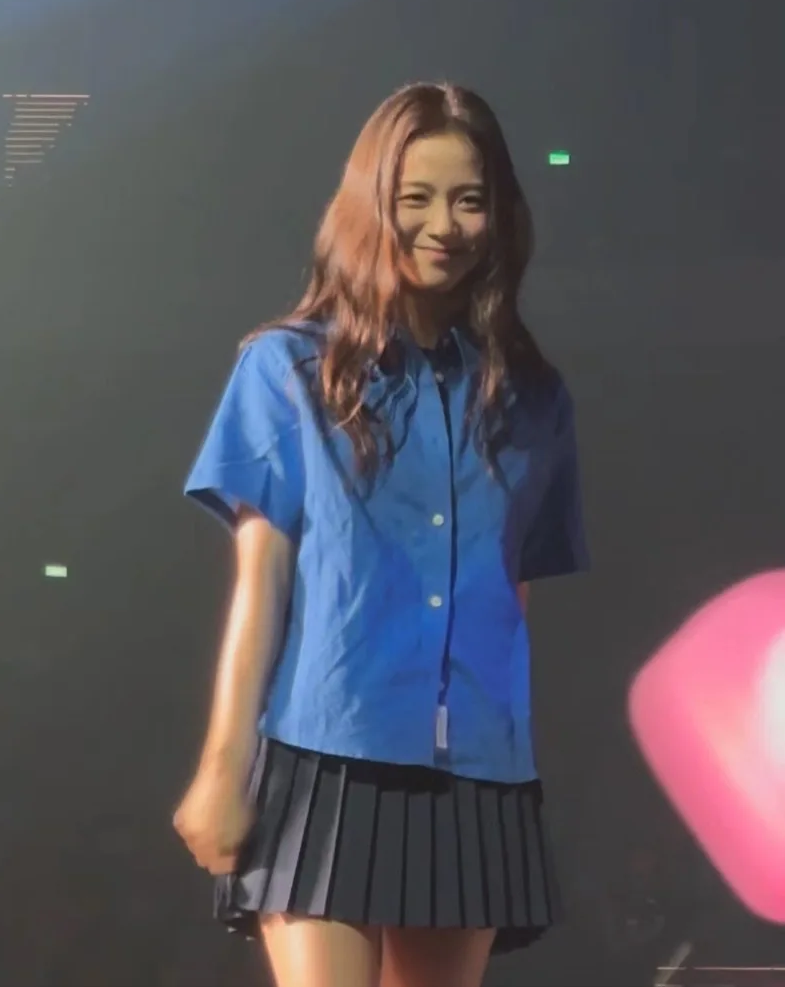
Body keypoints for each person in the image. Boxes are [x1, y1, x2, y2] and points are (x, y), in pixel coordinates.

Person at [173, 81, 589, 987]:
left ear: (499, 214)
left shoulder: (532, 397)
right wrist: (222, 766)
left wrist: (510, 749)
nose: (445, 225)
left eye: (469, 199)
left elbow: (511, 593)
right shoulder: (288, 367)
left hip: (476, 770)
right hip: (327, 750)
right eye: (416, 198)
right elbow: (261, 582)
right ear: (371, 204)